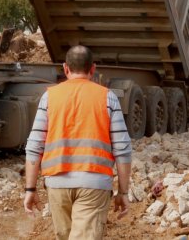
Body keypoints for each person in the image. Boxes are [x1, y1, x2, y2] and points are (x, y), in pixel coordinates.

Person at [23, 46, 132, 240]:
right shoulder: (108, 98)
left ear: (65, 69)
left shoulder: (49, 97)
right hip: (95, 183)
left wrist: (30, 189)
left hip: (57, 184)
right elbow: (122, 150)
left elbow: (34, 145)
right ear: (93, 69)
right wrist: (123, 192)